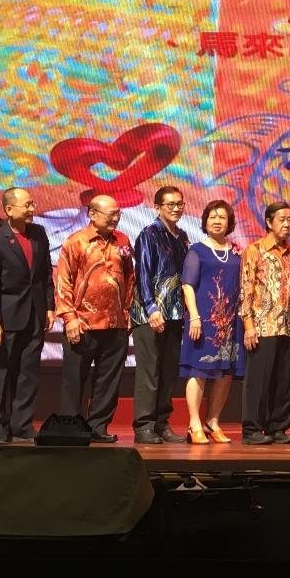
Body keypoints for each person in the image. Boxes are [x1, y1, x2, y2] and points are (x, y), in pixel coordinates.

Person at [54, 195, 135, 443]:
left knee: (108, 380)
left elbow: (130, 277)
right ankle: (70, 428)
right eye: (110, 214)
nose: (116, 218)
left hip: (115, 323)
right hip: (83, 323)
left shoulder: (122, 240)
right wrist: (69, 318)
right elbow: (62, 282)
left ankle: (98, 426)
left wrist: (127, 312)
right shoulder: (76, 241)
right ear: (92, 214)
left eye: (118, 213)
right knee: (74, 379)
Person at [0, 187, 54, 443]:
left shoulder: (39, 233)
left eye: (33, 204)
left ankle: (21, 423)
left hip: (34, 315)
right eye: (27, 205)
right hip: (6, 316)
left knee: (28, 372)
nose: (32, 209)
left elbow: (45, 274)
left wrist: (49, 307)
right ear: (9, 210)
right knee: (1, 372)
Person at [180, 200, 244, 445]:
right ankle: (194, 423)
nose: (217, 221)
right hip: (203, 321)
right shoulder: (197, 250)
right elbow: (187, 285)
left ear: (229, 223)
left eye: (222, 217)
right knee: (199, 371)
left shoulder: (236, 251)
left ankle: (212, 422)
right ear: (205, 221)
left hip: (230, 322)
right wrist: (194, 316)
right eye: (212, 217)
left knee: (225, 373)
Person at [131, 184, 189, 445]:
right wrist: (151, 307)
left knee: (168, 371)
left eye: (179, 204)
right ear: (158, 207)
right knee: (150, 371)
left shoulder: (182, 236)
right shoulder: (148, 234)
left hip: (175, 314)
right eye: (170, 204)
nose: (176, 208)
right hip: (150, 315)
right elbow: (143, 274)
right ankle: (144, 425)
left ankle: (161, 423)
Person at [239, 201, 290, 445]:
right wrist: (248, 325)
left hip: (289, 325)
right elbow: (246, 290)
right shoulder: (254, 250)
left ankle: (278, 427)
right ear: (268, 222)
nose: (287, 225)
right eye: (282, 220)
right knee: (258, 380)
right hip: (263, 325)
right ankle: (252, 428)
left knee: (283, 379)